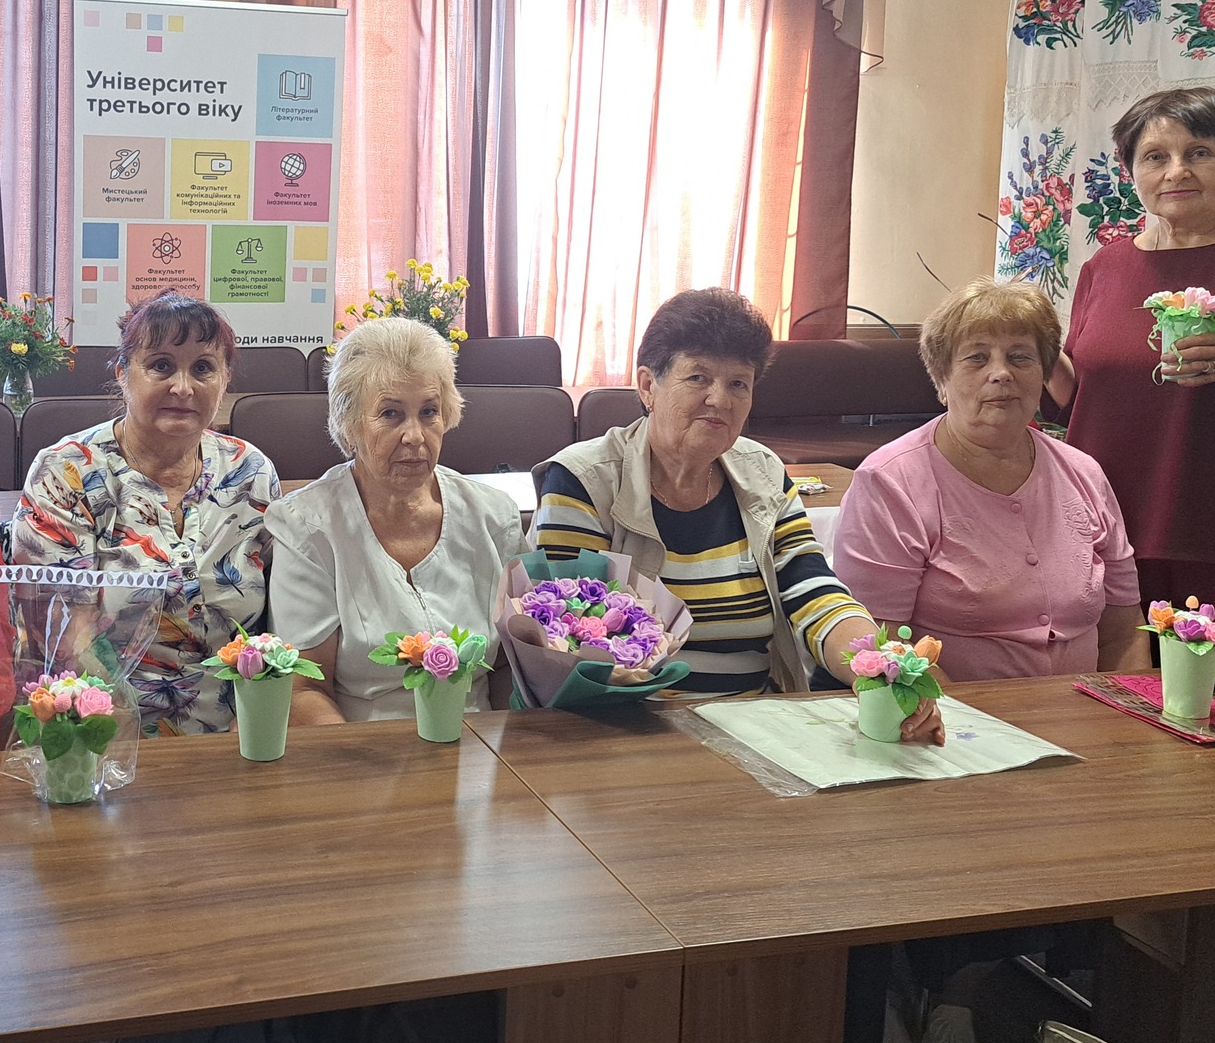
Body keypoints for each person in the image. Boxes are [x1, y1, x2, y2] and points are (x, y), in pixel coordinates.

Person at [533, 288, 941, 739]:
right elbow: (571, 630)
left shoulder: (763, 473)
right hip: (625, 729)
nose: (720, 400)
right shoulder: (584, 480)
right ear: (648, 386)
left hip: (756, 725)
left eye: (738, 384)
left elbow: (814, 593)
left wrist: (876, 664)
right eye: (698, 378)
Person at [1050, 88, 1215, 684]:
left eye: (1198, 153)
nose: (1176, 172)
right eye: (1155, 156)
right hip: (1108, 535)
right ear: (1131, 171)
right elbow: (1077, 401)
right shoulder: (1105, 268)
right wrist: (1022, 348)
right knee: (1108, 710)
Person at [834, 279, 1148, 680]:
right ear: (942, 381)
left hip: (1085, 711)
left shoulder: (1084, 472)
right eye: (977, 358)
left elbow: (1125, 633)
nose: (1001, 373)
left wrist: (1125, 711)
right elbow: (882, 645)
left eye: (1020, 357)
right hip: (948, 714)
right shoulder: (888, 483)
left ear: (1043, 375)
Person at [10, 291, 276, 736]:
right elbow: (61, 638)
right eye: (161, 365)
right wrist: (125, 744)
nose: (183, 387)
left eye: (203, 368)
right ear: (122, 373)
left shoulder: (250, 471)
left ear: (225, 379)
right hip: (104, 730)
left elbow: (278, 622)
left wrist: (260, 718)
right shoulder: (67, 472)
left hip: (241, 728)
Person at [269, 317, 525, 723]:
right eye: (390, 414)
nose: (415, 436)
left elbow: (514, 669)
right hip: (362, 744)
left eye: (429, 412)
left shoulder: (495, 516)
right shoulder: (307, 526)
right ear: (350, 424)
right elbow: (304, 688)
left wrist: (509, 747)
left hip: (481, 741)